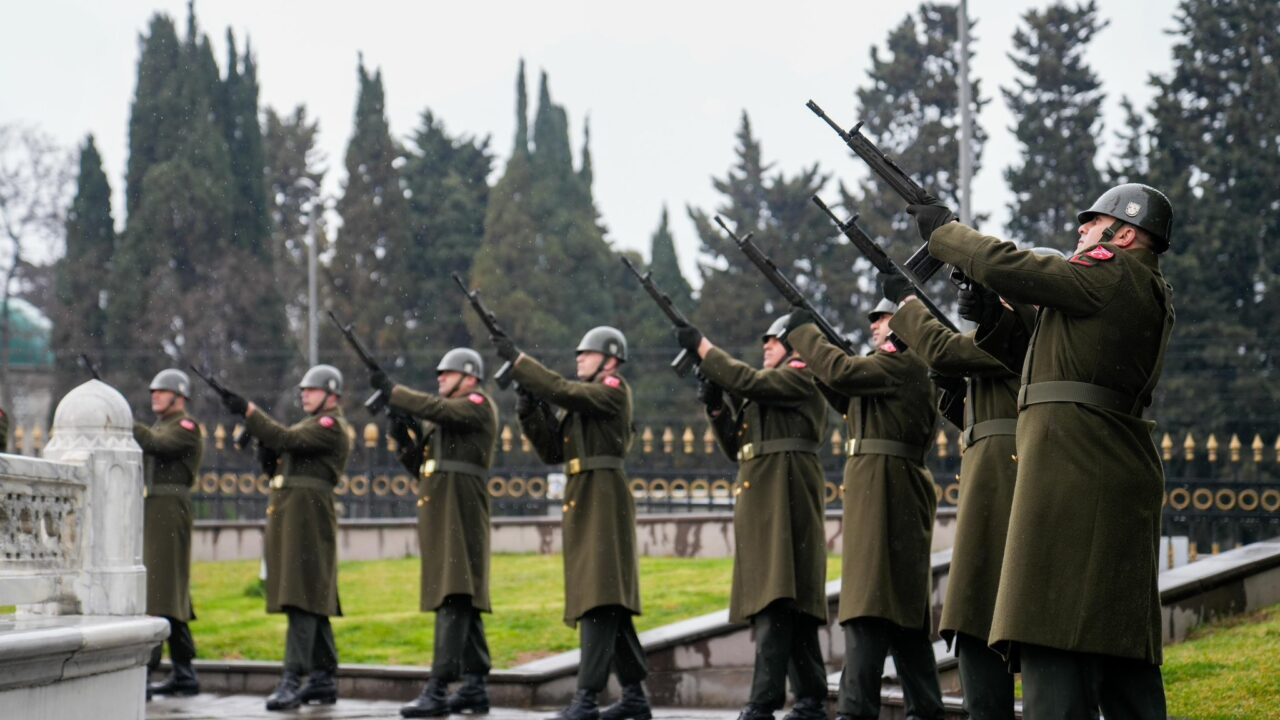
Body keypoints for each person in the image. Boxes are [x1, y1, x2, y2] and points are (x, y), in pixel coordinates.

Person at [909, 183, 1175, 718]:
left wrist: (945, 233)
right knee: (1118, 656)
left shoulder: (1114, 272)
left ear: (1124, 233)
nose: (1081, 230)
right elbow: (1038, 366)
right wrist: (993, 319)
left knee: (1053, 630)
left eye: (1093, 222)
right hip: (1093, 468)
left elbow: (1014, 266)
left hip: (1079, 475)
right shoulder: (1124, 290)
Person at [782, 299, 944, 720]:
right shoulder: (892, 370)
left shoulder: (904, 362)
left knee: (868, 607)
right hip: (882, 490)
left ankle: (857, 710)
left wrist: (804, 332)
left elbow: (843, 372)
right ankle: (922, 708)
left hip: (889, 492)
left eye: (883, 318)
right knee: (898, 614)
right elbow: (845, 391)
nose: (874, 325)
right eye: (872, 318)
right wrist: (819, 362)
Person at [878, 272, 1021, 720]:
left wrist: (906, 300)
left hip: (1006, 488)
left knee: (995, 612)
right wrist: (955, 393)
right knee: (975, 616)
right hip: (986, 490)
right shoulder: (998, 342)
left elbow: (942, 348)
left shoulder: (1026, 335)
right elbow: (980, 415)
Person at [673, 316, 829, 720]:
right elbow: (737, 446)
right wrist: (714, 405)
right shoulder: (769, 388)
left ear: (795, 348)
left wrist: (705, 349)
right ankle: (811, 697)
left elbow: (748, 381)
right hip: (766, 503)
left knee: (776, 603)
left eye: (774, 341)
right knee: (786, 604)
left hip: (786, 499)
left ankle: (763, 701)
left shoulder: (800, 377)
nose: (766, 346)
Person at [495, 327, 649, 720]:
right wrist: (530, 406)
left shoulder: (612, 390)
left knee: (598, 597)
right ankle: (634, 696)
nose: (579, 358)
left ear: (610, 360)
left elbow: (564, 391)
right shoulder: (585, 403)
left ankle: (586, 696)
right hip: (584, 496)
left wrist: (521, 364)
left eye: (588, 353)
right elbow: (551, 449)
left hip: (603, 496)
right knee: (605, 597)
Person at [369, 349, 499, 718]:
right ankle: (474, 685)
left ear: (470, 377)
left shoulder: (476, 405)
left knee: (453, 595)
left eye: (448, 373)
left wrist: (395, 391)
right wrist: (404, 438)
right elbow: (425, 469)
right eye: (439, 373)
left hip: (461, 510)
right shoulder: (445, 419)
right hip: (443, 510)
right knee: (460, 596)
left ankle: (439, 687)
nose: (440, 378)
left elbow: (438, 409)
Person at [222, 365, 352, 712]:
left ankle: (293, 679)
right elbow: (277, 463)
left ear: (331, 394)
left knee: (302, 597)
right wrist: (261, 440)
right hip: (293, 518)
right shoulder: (307, 426)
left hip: (308, 519)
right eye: (302, 391)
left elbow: (288, 440)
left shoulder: (330, 426)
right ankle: (323, 677)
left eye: (311, 390)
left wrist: (250, 413)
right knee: (311, 597)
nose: (304, 395)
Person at [133, 369, 204, 699]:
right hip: (157, 507)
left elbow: (154, 444)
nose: (155, 396)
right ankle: (184, 671)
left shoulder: (185, 428)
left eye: (161, 392)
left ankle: (146, 672)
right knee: (167, 590)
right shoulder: (164, 425)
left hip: (170, 507)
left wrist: (123, 419)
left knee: (159, 592)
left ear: (179, 397)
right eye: (153, 391)